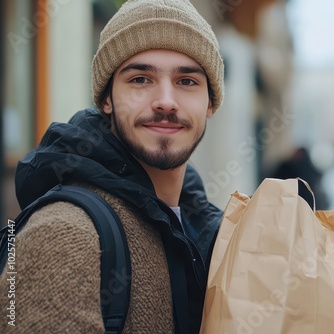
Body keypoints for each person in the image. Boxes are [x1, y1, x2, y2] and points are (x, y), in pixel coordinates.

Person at [0, 0, 224, 332]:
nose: (165, 100)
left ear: (210, 103)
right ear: (107, 99)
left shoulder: (212, 237)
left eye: (187, 81)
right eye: (140, 80)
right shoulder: (63, 236)